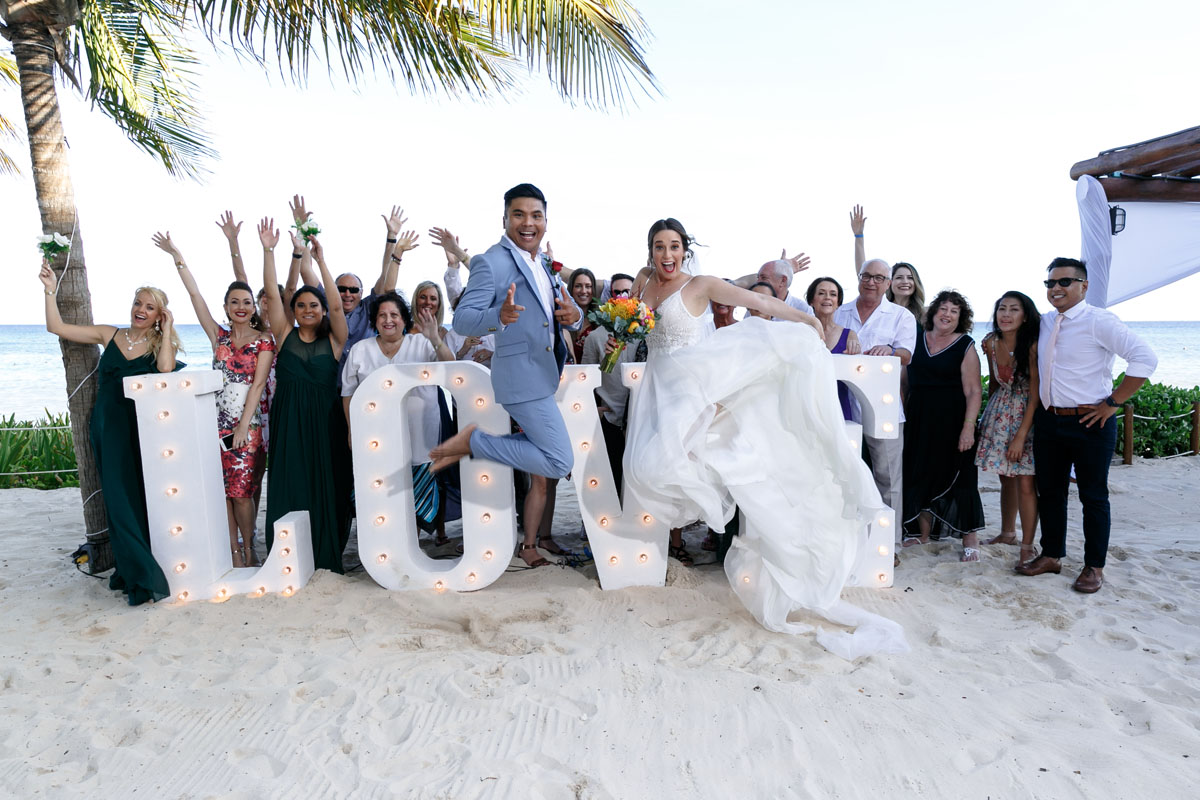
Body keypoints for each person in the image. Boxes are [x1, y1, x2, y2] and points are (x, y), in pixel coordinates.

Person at [624, 218, 905, 658]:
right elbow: (630, 324)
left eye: (674, 246)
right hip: (659, 386)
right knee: (647, 467)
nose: (667, 255)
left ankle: (727, 512)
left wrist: (802, 316)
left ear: (684, 249)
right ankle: (716, 507)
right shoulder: (641, 284)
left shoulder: (699, 284)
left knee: (662, 463)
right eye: (659, 246)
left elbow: (755, 300)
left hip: (694, 383)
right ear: (650, 250)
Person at [428, 184, 583, 568]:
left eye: (536, 216)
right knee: (560, 461)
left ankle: (477, 446)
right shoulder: (490, 262)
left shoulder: (544, 263)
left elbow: (574, 312)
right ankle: (474, 443)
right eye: (519, 215)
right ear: (505, 219)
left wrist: (573, 316)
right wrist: (498, 318)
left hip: (547, 375)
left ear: (545, 221)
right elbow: (463, 319)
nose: (527, 223)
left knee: (554, 462)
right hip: (520, 377)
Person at [39, 264, 181, 605]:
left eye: (149, 307)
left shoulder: (159, 344)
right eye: (138, 303)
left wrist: (170, 327)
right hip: (108, 425)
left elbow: (164, 369)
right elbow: (55, 327)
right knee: (117, 498)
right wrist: (49, 288)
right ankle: (137, 572)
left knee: (142, 497)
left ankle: (139, 566)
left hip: (143, 429)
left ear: (159, 314)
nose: (140, 311)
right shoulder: (110, 334)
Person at [1017, 258, 1158, 594]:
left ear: (1084, 285)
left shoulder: (1099, 321)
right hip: (1050, 421)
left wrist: (1113, 403)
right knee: (1050, 493)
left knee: (1093, 496)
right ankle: (1051, 555)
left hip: (1090, 422)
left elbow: (1145, 358)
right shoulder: (1046, 322)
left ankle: (1094, 566)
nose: (1056, 289)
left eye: (1065, 282)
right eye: (1050, 284)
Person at [153, 232, 275, 568]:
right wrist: (177, 254)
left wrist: (242, 427)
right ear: (226, 307)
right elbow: (194, 295)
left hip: (246, 427)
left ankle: (250, 548)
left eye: (246, 302)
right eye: (234, 302)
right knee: (223, 491)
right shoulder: (218, 337)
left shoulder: (264, 341)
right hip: (214, 426)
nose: (240, 307)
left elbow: (258, 384)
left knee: (242, 492)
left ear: (254, 307)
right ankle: (232, 549)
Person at [258, 220, 349, 573]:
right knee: (291, 480)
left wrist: (321, 261)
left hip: (326, 423)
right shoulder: (283, 335)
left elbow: (339, 308)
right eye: (301, 306)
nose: (308, 310)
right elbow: (270, 287)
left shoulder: (335, 340)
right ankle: (288, 557)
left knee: (328, 483)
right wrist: (269, 250)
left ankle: (325, 554)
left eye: (314, 305)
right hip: (289, 422)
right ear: (292, 311)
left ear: (323, 310)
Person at [341, 291, 454, 538]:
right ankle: (386, 542)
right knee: (381, 489)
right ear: (374, 321)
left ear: (404, 319)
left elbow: (450, 365)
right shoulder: (361, 350)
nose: (388, 320)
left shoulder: (421, 344)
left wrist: (435, 337)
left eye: (394, 315)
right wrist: (352, 429)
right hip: (376, 435)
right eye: (382, 315)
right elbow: (348, 394)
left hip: (420, 430)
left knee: (416, 488)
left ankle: (411, 540)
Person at [900, 290, 986, 561]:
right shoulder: (913, 340)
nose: (947, 314)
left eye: (954, 311)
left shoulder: (965, 345)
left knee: (962, 478)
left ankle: (970, 539)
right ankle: (922, 533)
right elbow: (903, 384)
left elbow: (974, 391)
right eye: (943, 308)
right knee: (920, 474)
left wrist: (968, 427)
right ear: (933, 312)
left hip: (953, 421)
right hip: (918, 418)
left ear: (960, 318)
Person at [833, 258, 915, 525]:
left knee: (887, 476)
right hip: (841, 405)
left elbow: (907, 354)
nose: (871, 282)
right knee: (842, 475)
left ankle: (890, 543)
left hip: (884, 408)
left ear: (888, 284)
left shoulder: (902, 316)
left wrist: (890, 351)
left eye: (878, 278)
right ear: (859, 278)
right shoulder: (839, 312)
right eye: (866, 276)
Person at [976, 291, 1040, 566]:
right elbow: (993, 383)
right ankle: (1007, 533)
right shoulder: (990, 343)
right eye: (1002, 309)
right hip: (1000, 411)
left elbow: (1036, 394)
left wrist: (1021, 435)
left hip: (1029, 413)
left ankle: (1028, 545)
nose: (1006, 314)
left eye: (1014, 309)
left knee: (1026, 480)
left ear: (1025, 316)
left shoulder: (1034, 346)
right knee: (1005, 477)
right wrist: (984, 419)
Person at [807, 276, 861, 420]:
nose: (827, 298)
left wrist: (856, 353)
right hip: (807, 406)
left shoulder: (849, 334)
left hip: (839, 407)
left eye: (833, 294)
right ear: (811, 300)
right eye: (821, 293)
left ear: (838, 303)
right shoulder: (801, 332)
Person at [567, 268, 599, 364]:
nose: (583, 291)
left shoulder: (601, 320)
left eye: (588, 286)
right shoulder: (562, 318)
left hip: (594, 375)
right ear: (571, 289)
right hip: (567, 375)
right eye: (578, 286)